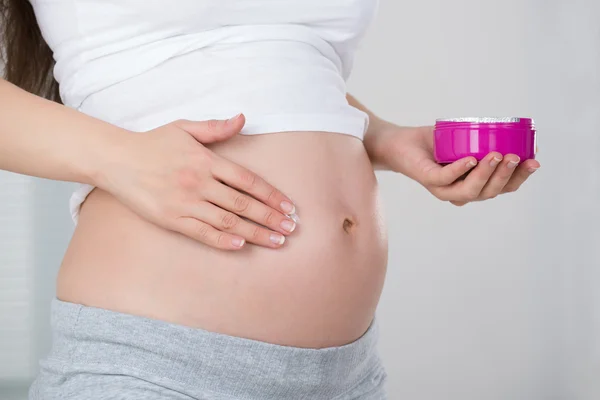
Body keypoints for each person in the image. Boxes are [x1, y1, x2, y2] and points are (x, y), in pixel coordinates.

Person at [0, 0, 540, 399]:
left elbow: (271, 63)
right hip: (156, 367)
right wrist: (118, 156)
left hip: (346, 376)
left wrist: (383, 137)